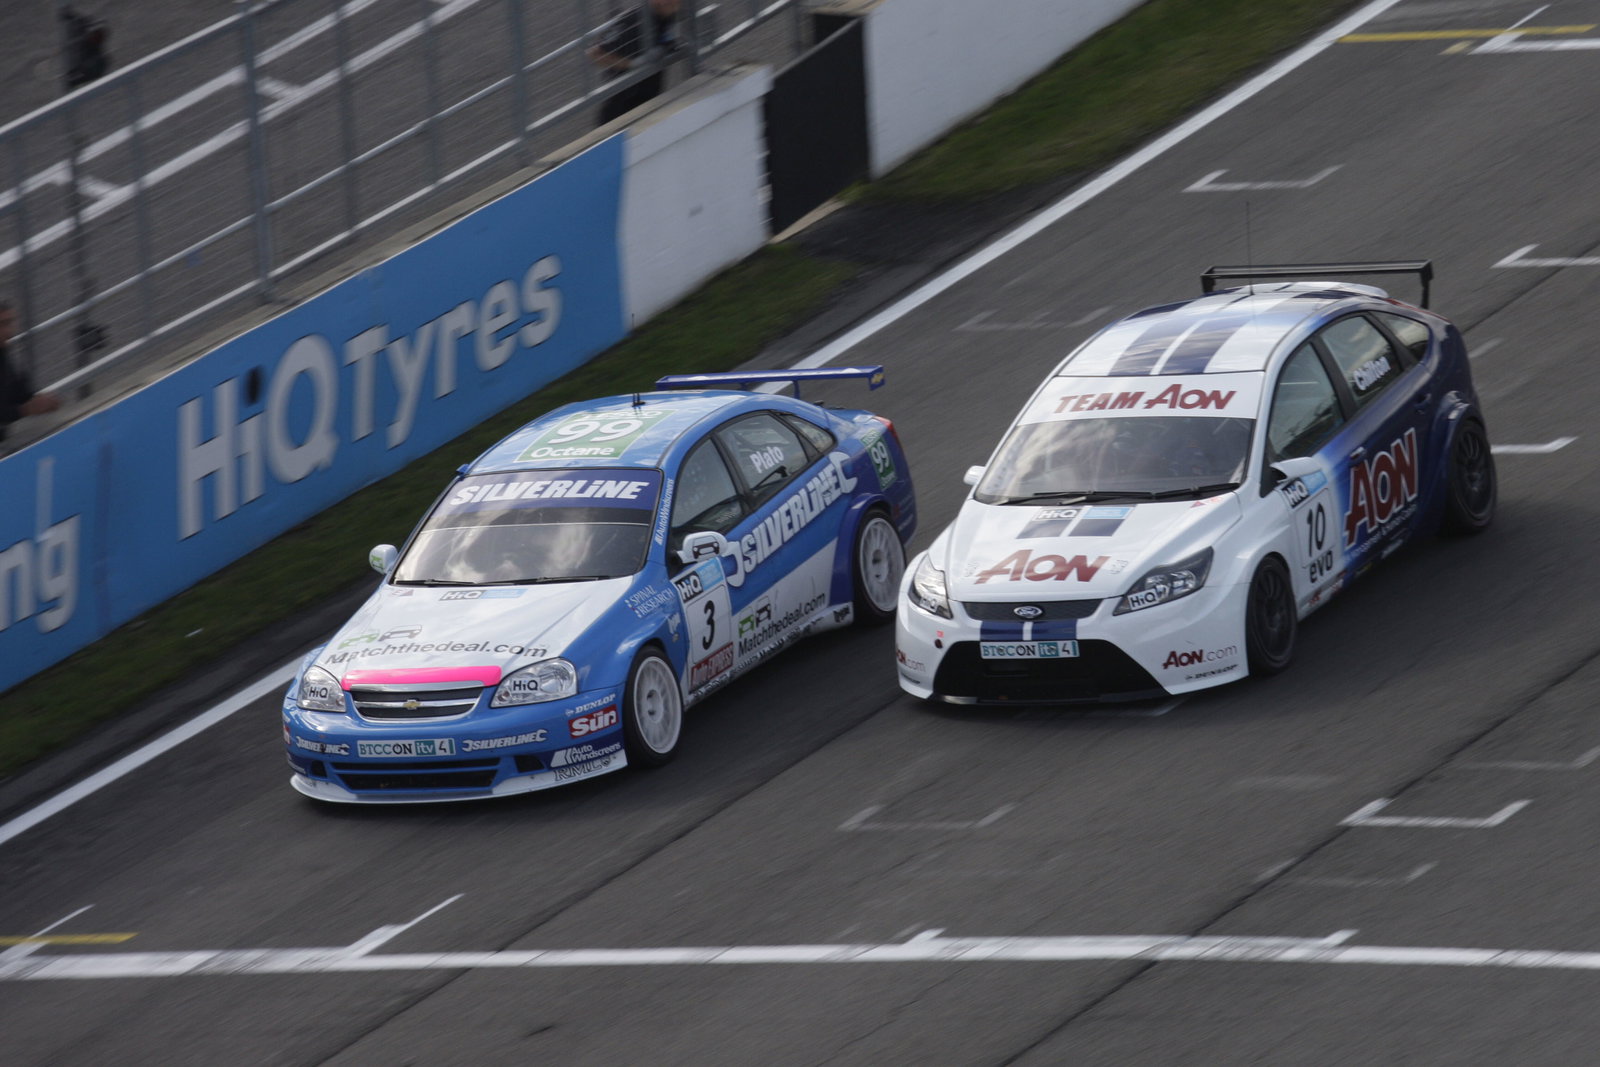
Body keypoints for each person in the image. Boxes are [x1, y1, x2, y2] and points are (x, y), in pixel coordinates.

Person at [588, 0, 681, 126]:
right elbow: (595, 53)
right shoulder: (632, 19)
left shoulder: (671, 16)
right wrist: (632, 64)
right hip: (620, 108)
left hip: (649, 103)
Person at [0, 303, 61, 443]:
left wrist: (39, 400)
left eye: (10, 323)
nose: (9, 332)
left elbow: (17, 388)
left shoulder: (3, 353)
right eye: (3, 324)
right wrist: (26, 409)